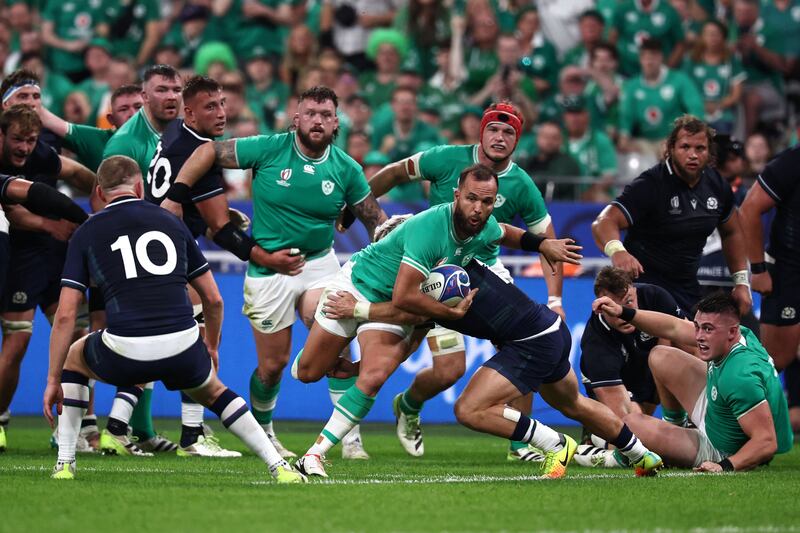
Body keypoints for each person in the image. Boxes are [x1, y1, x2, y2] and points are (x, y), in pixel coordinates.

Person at [291, 165, 663, 479]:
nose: (479, 208)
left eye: (487, 202)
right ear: (456, 194)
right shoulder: (430, 238)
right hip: (543, 329)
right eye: (472, 199)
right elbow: (413, 314)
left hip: (528, 338)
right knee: (574, 405)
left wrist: (542, 244)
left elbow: (502, 233)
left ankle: (315, 455)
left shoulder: (469, 242)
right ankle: (641, 454)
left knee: (457, 406)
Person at [42, 156, 304, 483]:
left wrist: (53, 381)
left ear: (98, 191)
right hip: (183, 345)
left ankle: (65, 463)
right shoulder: (170, 220)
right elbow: (213, 299)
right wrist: (210, 346)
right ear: (139, 187)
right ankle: (277, 466)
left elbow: (67, 314)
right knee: (214, 391)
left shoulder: (88, 230)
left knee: (74, 358)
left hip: (125, 352)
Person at [161, 86, 387, 460]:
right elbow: (206, 151)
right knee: (272, 367)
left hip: (319, 263)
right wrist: (176, 196)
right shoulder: (267, 148)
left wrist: (390, 244)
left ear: (336, 123)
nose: (318, 120)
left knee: (336, 327)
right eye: (311, 113)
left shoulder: (347, 168)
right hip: (269, 268)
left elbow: (374, 221)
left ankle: (350, 438)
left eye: (326, 115)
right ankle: (265, 431)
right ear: (296, 119)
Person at [347, 102, 565, 462]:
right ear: (481, 132)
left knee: (524, 343)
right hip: (437, 274)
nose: (499, 137)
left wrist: (555, 299)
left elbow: (547, 242)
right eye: (493, 129)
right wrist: (358, 209)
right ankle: (409, 405)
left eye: (508, 132)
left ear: (517, 140)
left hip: (487, 272)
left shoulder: (522, 183)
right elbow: (396, 173)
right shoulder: (445, 158)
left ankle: (521, 444)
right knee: (450, 369)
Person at [593, 291, 793, 472]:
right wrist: (623, 311)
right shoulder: (740, 335)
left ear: (732, 332)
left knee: (630, 424)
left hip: (725, 446)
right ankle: (676, 427)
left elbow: (766, 442)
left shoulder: (740, 376)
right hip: (721, 410)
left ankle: (617, 458)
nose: (699, 337)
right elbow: (672, 327)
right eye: (697, 327)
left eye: (707, 329)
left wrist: (723, 465)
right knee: (661, 356)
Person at [98, 64, 184, 452]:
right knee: (145, 337)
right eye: (162, 90)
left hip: (157, 249)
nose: (171, 97)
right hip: (133, 254)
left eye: (176, 89)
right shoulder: (125, 143)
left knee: (149, 339)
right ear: (145, 97)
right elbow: (105, 204)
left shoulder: (177, 134)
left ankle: (136, 431)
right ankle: (112, 429)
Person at [0, 106, 96, 448]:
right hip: (18, 260)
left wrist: (102, 194)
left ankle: (76, 428)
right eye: (17, 140)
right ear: (1, 135)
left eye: (30, 140)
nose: (24, 148)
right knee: (17, 341)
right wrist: (54, 224)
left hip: (56, 257)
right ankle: (0, 419)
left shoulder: (40, 154)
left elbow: (76, 172)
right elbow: (15, 212)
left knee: (78, 338)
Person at [592, 115, 751, 317]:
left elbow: (732, 232)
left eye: (700, 148)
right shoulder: (650, 184)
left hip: (686, 288)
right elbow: (603, 221)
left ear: (710, 152)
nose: (692, 155)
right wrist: (617, 251)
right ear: (671, 149)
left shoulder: (717, 185)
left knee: (695, 345)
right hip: (643, 286)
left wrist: (741, 282)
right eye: (685, 147)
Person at [575, 267, 685, 467]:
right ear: (599, 306)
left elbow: (689, 339)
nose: (622, 314)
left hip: (650, 366)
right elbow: (625, 419)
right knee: (632, 433)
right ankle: (597, 442)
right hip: (619, 384)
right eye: (611, 307)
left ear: (634, 291)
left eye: (628, 302)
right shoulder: (596, 345)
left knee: (677, 353)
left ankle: (681, 424)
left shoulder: (655, 297)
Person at [739, 144, 800, 432]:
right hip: (789, 270)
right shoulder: (792, 160)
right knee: (776, 357)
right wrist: (759, 268)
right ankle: (736, 424)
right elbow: (750, 208)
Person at [38, 84, 144, 172]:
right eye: (124, 109)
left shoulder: (160, 140)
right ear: (111, 119)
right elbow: (47, 119)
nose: (133, 114)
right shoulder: (97, 139)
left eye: (138, 107)